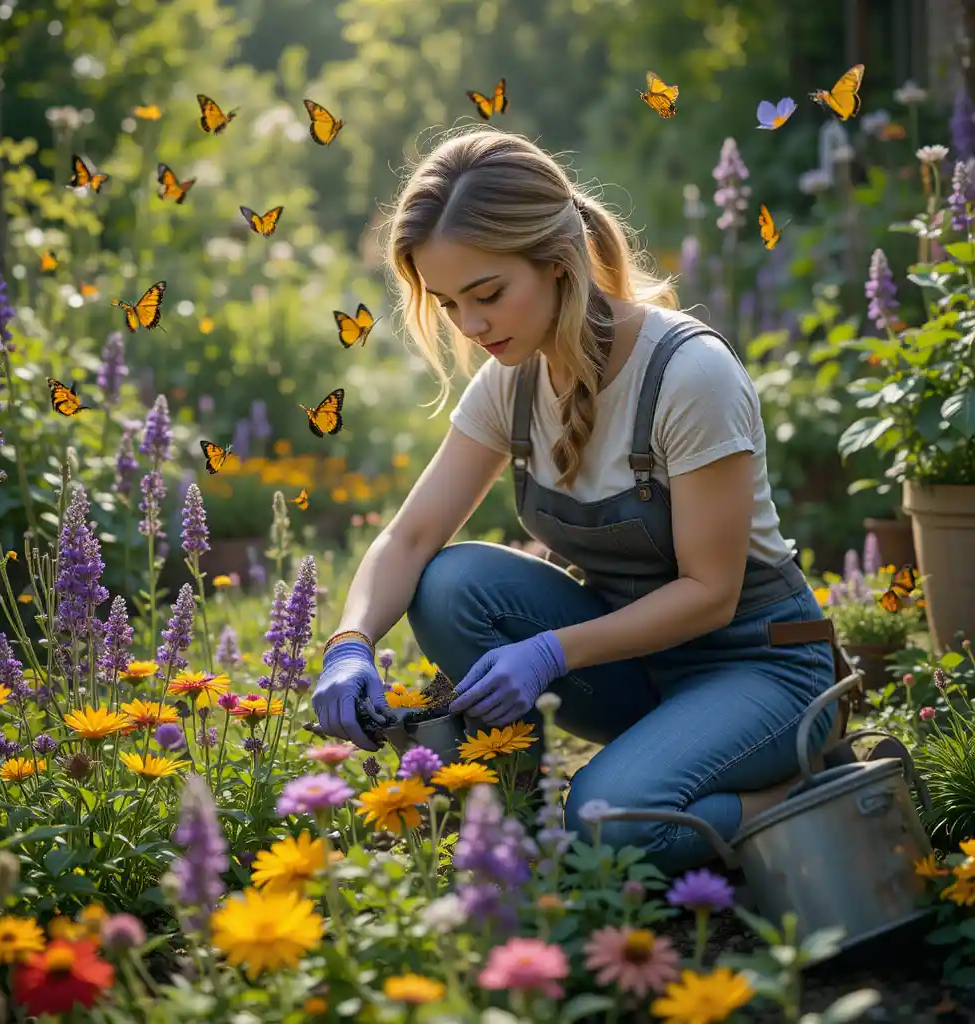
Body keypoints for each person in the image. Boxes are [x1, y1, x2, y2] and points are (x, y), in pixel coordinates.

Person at [312, 127, 850, 875]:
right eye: (449, 303)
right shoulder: (511, 381)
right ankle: (519, 812)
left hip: (759, 670)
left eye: (488, 294)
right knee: (449, 583)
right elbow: (408, 539)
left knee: (608, 824)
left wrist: (550, 652)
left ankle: (807, 789)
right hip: (640, 669)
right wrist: (349, 644)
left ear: (557, 260)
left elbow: (711, 594)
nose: (470, 326)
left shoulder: (689, 375)